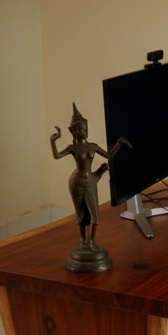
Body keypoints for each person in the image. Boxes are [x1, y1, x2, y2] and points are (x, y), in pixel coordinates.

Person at [51, 104, 130, 247]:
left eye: (85, 129)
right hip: (76, 182)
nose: (84, 131)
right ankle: (84, 240)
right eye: (81, 129)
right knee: (82, 214)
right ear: (73, 131)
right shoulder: (73, 148)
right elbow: (56, 156)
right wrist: (53, 141)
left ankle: (92, 240)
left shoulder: (92, 146)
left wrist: (118, 144)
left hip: (90, 180)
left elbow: (108, 155)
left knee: (95, 215)